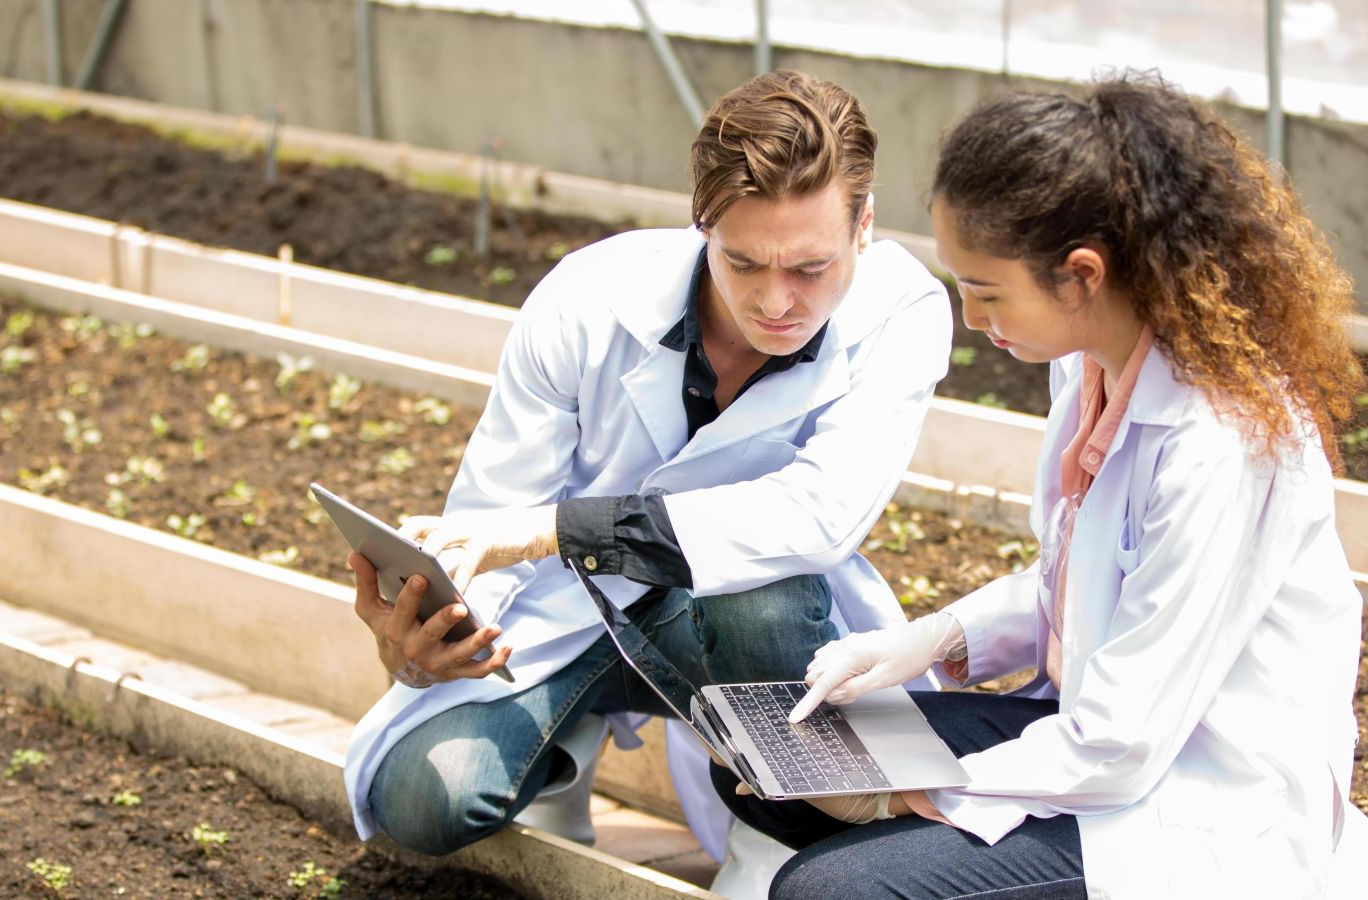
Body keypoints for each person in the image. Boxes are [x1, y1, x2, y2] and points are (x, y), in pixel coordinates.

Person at [714, 71, 1368, 898]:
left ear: (1081, 275)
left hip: (1197, 800)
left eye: (986, 292)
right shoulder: (1088, 364)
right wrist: (930, 640)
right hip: (1097, 738)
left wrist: (897, 794)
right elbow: (1083, 579)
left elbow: (1123, 743)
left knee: (825, 889)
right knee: (778, 767)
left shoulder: (1220, 439)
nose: (973, 318)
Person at [339, 70, 952, 862]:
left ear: (864, 226)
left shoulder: (901, 311)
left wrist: (555, 532)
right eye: (743, 262)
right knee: (424, 800)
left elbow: (818, 515)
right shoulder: (588, 298)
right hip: (569, 615)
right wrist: (432, 643)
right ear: (703, 227)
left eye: (809, 268)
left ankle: (771, 822)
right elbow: (496, 505)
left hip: (747, 625)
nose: (776, 302)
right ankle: (564, 754)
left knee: (759, 602)